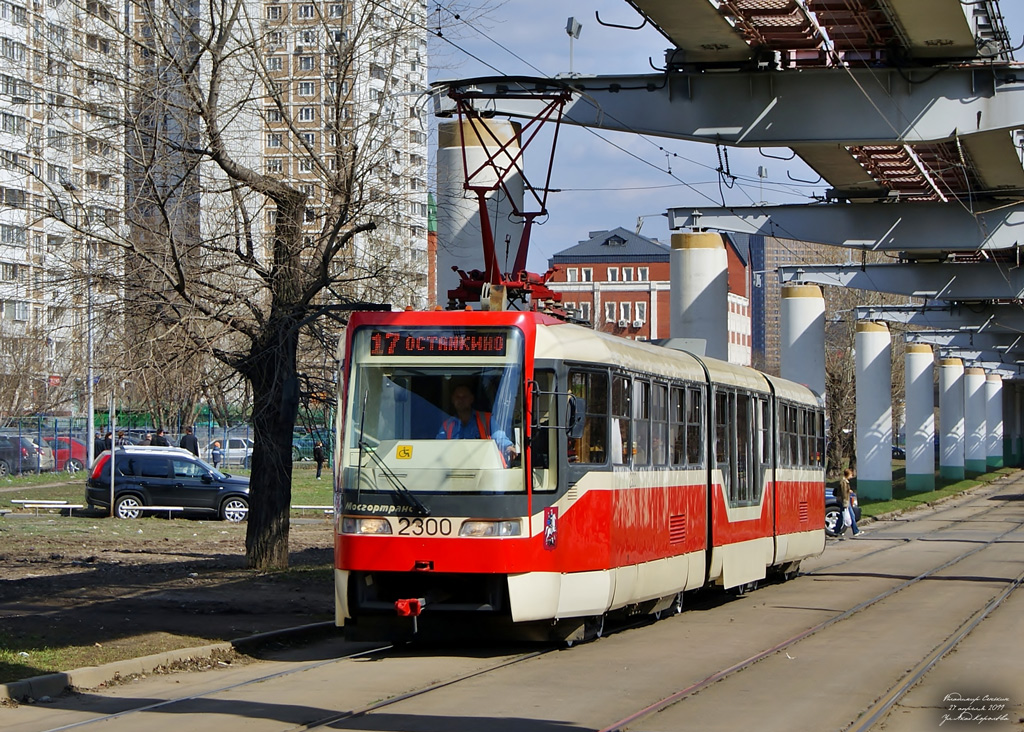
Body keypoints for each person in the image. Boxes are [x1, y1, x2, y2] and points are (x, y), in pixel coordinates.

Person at [437, 384, 517, 464]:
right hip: (454, 468)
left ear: (471, 399)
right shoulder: (447, 425)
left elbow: (498, 436)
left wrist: (508, 446)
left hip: (482, 468)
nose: (461, 400)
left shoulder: (486, 419)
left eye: (464, 397)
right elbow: (437, 446)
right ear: (452, 400)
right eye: (457, 397)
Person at [835, 467, 863, 539]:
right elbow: (844, 493)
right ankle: (855, 531)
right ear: (847, 475)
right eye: (851, 474)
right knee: (851, 516)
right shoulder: (844, 482)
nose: (852, 476)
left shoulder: (845, 482)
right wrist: (845, 503)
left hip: (844, 501)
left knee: (842, 517)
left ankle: (837, 531)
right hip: (845, 501)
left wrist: (849, 491)